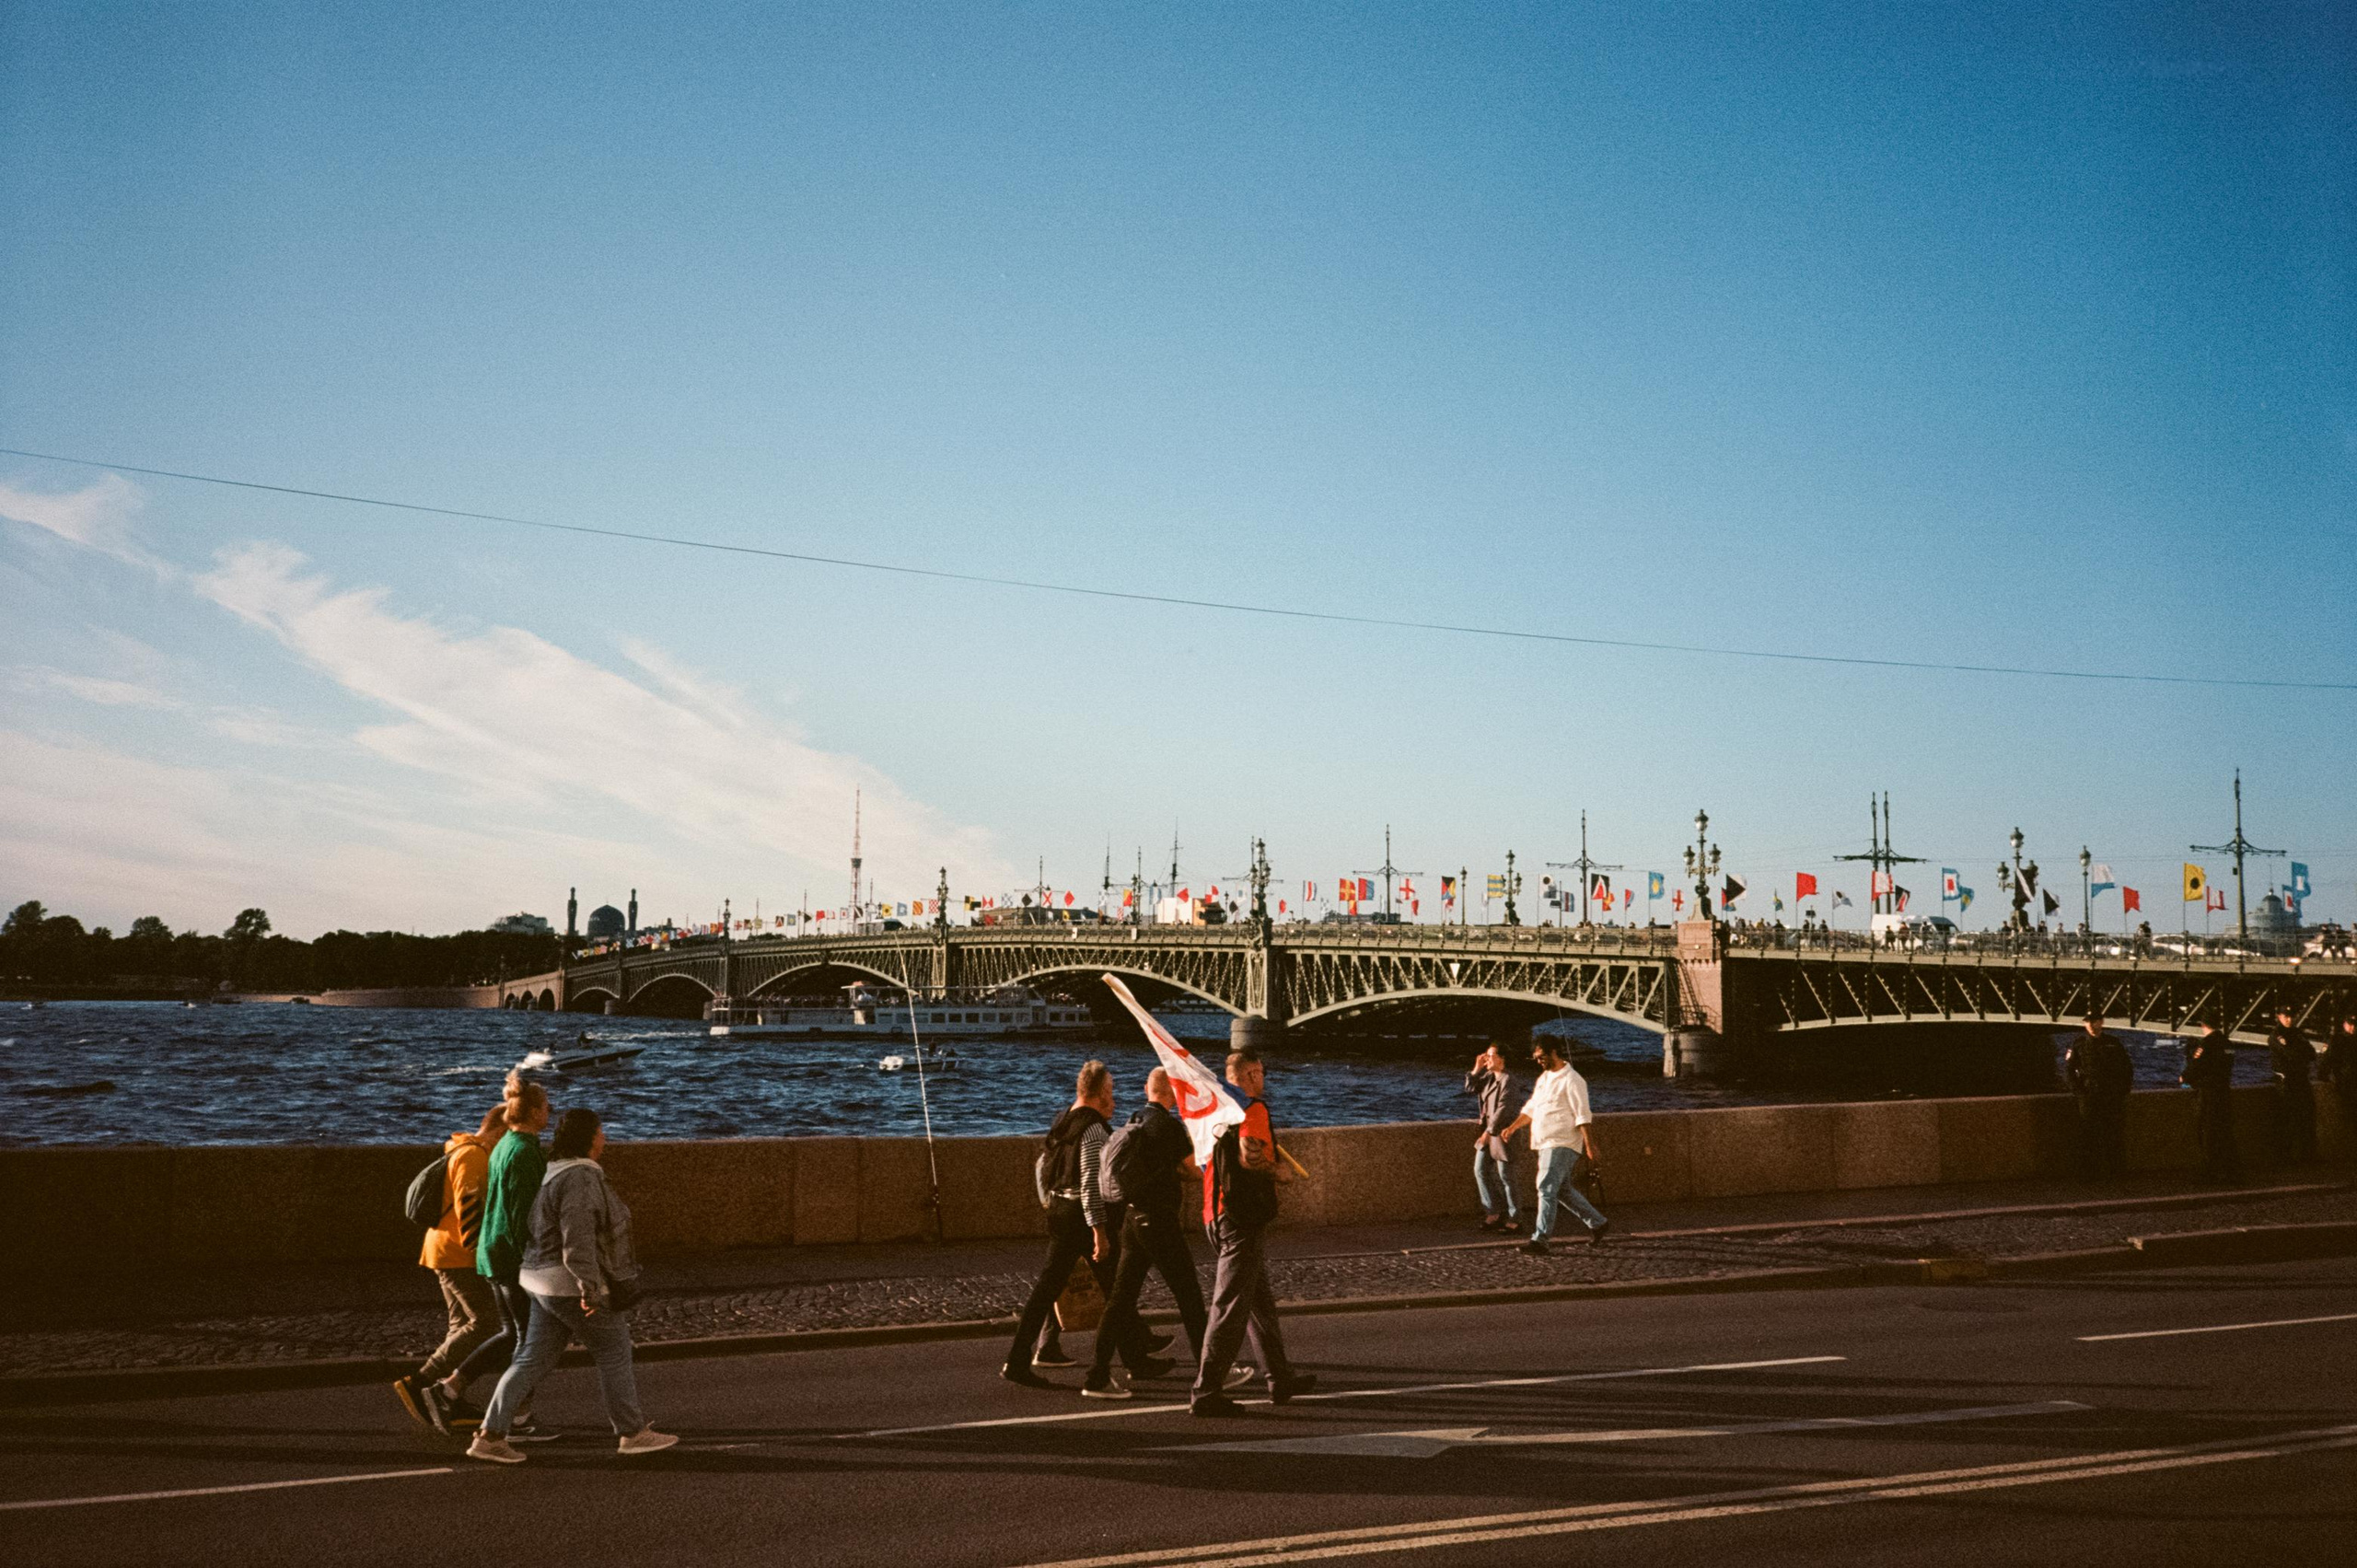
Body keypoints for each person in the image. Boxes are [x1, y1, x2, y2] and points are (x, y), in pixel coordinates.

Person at [469, 1108, 676, 1463]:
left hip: (537, 1279)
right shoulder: (580, 1177)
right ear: (589, 1138)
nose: (604, 1137)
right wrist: (589, 1287)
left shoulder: (555, 1172)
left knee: (531, 1359)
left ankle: (491, 1434)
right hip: (565, 1283)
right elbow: (577, 1237)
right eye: (600, 1131)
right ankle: (631, 1432)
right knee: (614, 1351)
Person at [1004, 1062, 1167, 1388]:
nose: (1115, 1099)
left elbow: (1044, 1165)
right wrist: (1099, 1231)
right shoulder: (1093, 1129)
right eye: (1111, 1092)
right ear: (1101, 1092)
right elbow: (1092, 1184)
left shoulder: (1063, 1120)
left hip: (1060, 1211)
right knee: (1112, 1288)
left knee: (1059, 1289)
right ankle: (1131, 1361)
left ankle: (1020, 1359)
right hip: (1083, 1217)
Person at [422, 1074, 552, 1437]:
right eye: (546, 1107)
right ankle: (507, 1415)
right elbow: (523, 1214)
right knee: (526, 1341)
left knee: (512, 1334)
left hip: (493, 1255)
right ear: (535, 1112)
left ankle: (451, 1389)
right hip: (505, 1257)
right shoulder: (523, 1151)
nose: (550, 1113)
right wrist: (534, 1258)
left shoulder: (504, 1146)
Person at [1190, 1046, 1315, 1417]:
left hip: (1215, 1213)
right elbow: (1249, 1154)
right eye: (1259, 1072)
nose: (1263, 1079)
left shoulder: (1215, 1107)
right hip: (1242, 1218)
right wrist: (1279, 1172)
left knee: (1259, 1302)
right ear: (1250, 1075)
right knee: (1229, 1307)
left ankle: (1280, 1378)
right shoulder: (1252, 1108)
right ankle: (1206, 1389)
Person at [1083, 1067, 1216, 1400]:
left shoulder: (1135, 1118)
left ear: (1146, 1089)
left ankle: (1097, 1374)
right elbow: (1193, 1171)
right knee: (1188, 1297)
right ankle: (1213, 1372)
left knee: (1119, 1300)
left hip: (1131, 1220)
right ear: (1174, 1093)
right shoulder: (1168, 1126)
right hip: (1159, 1223)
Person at [394, 1102, 505, 1426]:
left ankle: (441, 1395)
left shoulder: (461, 1150)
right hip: (459, 1254)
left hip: (443, 1249)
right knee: (486, 1323)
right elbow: (470, 1208)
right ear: (499, 1131)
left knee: (460, 1327)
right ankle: (420, 1382)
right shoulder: (473, 1156)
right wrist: (481, 1258)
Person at [1496, 1038, 1608, 1254]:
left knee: (1545, 1187)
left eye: (1542, 1057)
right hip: (1544, 1141)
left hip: (1563, 1141)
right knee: (1562, 1190)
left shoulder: (1573, 1080)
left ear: (1554, 1052)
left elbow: (1583, 1115)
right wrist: (1512, 1127)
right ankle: (1598, 1223)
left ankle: (1540, 1240)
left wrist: (1590, 1144)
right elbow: (1531, 1108)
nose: (1539, 1062)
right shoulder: (1545, 1078)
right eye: (1536, 1058)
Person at [2062, 1015, 2132, 1179]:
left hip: (2111, 1095)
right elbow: (2069, 1071)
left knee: (2113, 1133)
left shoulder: (2113, 1043)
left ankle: (2116, 1171)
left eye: (2094, 1021)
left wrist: (2122, 1091)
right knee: (2089, 1135)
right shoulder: (2079, 1045)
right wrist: (2080, 1092)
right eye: (2088, 1022)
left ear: (2101, 1022)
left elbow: (2126, 1068)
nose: (2091, 1025)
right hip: (2089, 1095)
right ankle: (2089, 1172)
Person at [1463, 1045, 1521, 1233]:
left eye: (1490, 1056)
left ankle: (1515, 1219)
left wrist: (1489, 1131)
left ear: (1502, 1059)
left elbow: (1505, 1108)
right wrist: (1476, 1069)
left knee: (1507, 1177)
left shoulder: (1509, 1081)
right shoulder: (1488, 1077)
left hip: (1502, 1134)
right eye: (1486, 1055)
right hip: (1488, 1133)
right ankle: (1494, 1212)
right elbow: (1470, 1088)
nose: (1486, 1058)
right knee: (1480, 1170)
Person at [2180, 1025, 2239, 1180]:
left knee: (2207, 1132)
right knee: (2225, 1132)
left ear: (2203, 1025)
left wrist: (2185, 1077)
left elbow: (2196, 1066)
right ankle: (2232, 1170)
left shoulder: (2206, 1044)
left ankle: (2210, 1171)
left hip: (2208, 1094)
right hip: (2224, 1092)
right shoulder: (2227, 1044)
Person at [2266, 1007, 2316, 1166]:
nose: (2289, 1019)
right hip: (2286, 1082)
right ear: (2279, 1017)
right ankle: (2284, 1157)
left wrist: (2298, 1053)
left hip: (2300, 1080)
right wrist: (2299, 1054)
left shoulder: (2297, 1033)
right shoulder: (2276, 1036)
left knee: (2307, 1117)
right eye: (2286, 1016)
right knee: (2286, 1119)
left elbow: (2312, 1053)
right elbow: (2291, 1054)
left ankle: (2307, 1155)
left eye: (2291, 1016)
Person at [2324, 1017, 2357, 1145]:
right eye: (2350, 1025)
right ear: (2344, 1024)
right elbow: (2329, 1059)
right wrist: (2324, 1076)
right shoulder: (2337, 1040)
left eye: (2354, 1025)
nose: (2352, 1028)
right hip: (2344, 1082)